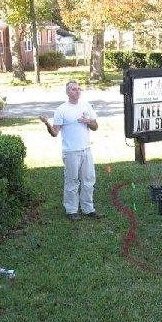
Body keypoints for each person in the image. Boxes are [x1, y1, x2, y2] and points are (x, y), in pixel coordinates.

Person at [39, 81, 102, 221]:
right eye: (74, 89)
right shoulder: (61, 110)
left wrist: (88, 122)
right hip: (71, 152)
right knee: (72, 181)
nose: (77, 91)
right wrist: (47, 123)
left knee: (88, 180)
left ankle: (88, 209)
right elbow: (55, 132)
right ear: (67, 92)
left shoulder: (86, 106)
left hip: (86, 150)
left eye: (79, 89)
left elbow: (95, 126)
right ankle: (71, 210)